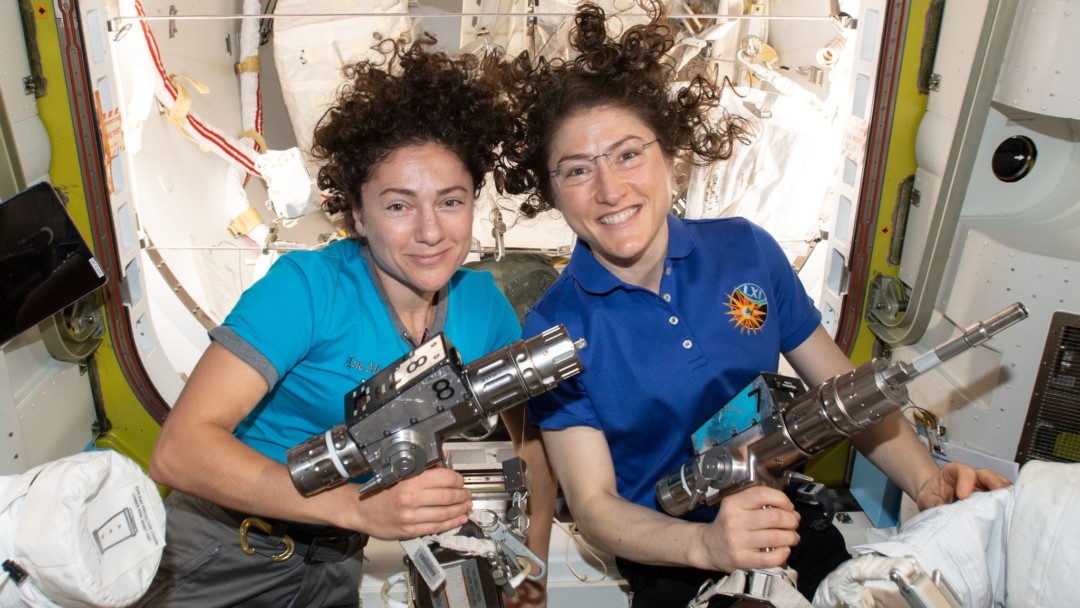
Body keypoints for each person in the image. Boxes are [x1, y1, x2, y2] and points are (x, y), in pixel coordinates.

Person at [494, 3, 1012, 606]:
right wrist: (706, 548)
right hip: (668, 551)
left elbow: (847, 393)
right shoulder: (556, 326)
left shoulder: (747, 251)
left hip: (781, 511)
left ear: (670, 155)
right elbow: (594, 507)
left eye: (629, 153)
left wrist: (927, 483)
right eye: (577, 170)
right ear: (552, 192)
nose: (610, 189)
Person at [136, 35, 531, 607]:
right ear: (357, 214)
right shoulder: (308, 288)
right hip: (225, 549)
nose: (430, 231)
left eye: (451, 201)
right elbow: (180, 451)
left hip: (336, 565)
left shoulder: (484, 306)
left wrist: (526, 555)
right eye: (398, 205)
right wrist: (352, 505)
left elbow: (533, 440)